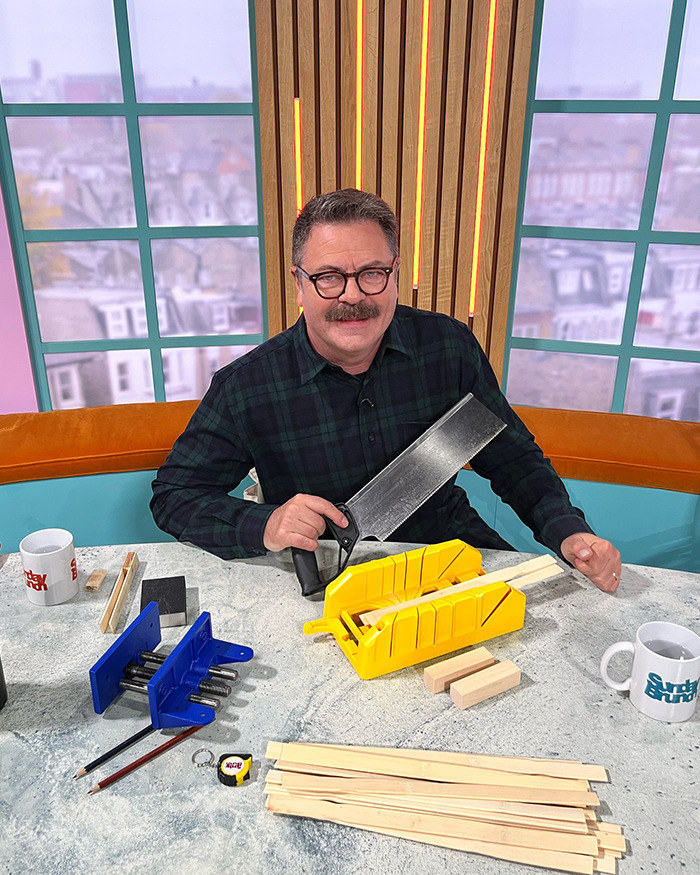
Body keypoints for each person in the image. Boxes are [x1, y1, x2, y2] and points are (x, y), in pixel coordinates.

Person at [151, 189, 621, 592]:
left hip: (451, 550)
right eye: (329, 277)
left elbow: (513, 459)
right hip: (330, 573)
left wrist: (568, 532)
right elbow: (174, 496)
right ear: (299, 284)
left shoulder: (448, 347)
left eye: (372, 273)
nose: (353, 295)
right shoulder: (247, 386)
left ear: (395, 274)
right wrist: (266, 524)